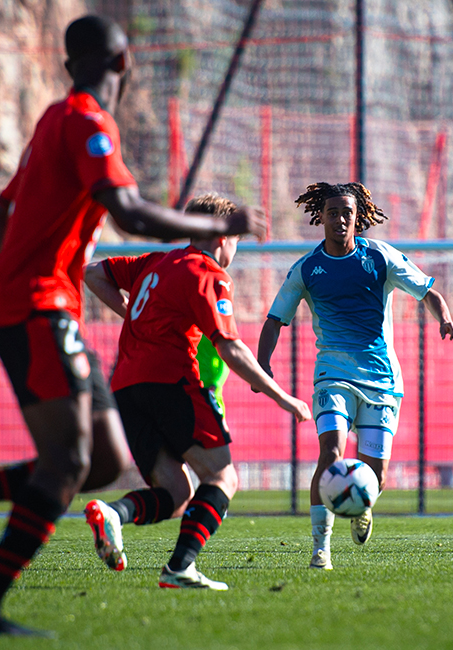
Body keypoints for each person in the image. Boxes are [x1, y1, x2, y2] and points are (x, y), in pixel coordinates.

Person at [0, 15, 268, 636]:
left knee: (98, 461)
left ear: (69, 64)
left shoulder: (52, 119)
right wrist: (218, 226)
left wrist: (34, 266)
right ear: (124, 64)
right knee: (70, 460)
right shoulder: (89, 123)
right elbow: (128, 213)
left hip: (37, 303)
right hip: (38, 306)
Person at [81, 193, 311, 590]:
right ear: (222, 238)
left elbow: (92, 273)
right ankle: (179, 567)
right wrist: (282, 396)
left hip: (126, 389)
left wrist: (134, 314)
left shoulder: (156, 262)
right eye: (236, 240)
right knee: (222, 476)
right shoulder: (207, 273)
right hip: (171, 383)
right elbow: (230, 348)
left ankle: (113, 514)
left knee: (175, 493)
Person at [256, 182, 453, 570]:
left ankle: (362, 502)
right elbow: (274, 320)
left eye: (347, 213)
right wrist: (262, 365)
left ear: (358, 217)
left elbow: (427, 291)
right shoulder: (307, 269)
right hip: (332, 375)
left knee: (376, 475)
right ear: (321, 217)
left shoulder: (380, 257)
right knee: (330, 453)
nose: (340, 219)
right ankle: (321, 548)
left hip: (381, 379)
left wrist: (446, 319)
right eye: (333, 213)